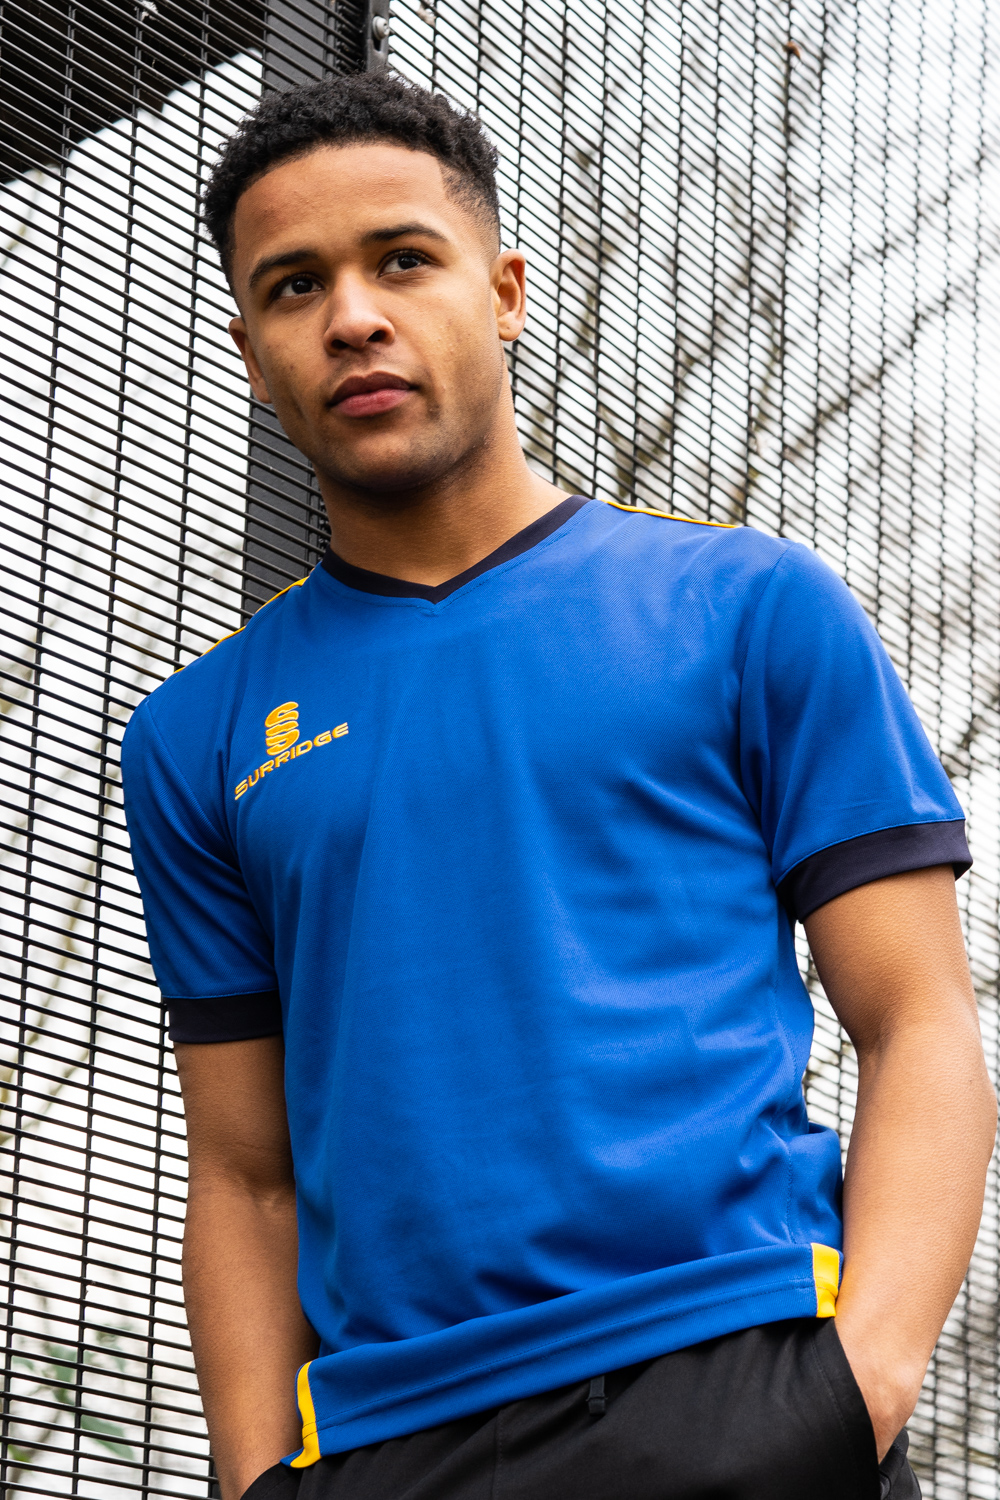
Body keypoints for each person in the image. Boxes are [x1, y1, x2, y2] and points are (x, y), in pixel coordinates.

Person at [120, 72, 996, 1500]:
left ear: (506, 292)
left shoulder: (748, 608)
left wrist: (865, 1383)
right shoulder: (193, 740)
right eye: (294, 285)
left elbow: (919, 1023)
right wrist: (258, 1480)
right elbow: (244, 1172)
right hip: (390, 1447)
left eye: (403, 259)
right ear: (253, 353)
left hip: (743, 1376)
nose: (353, 316)